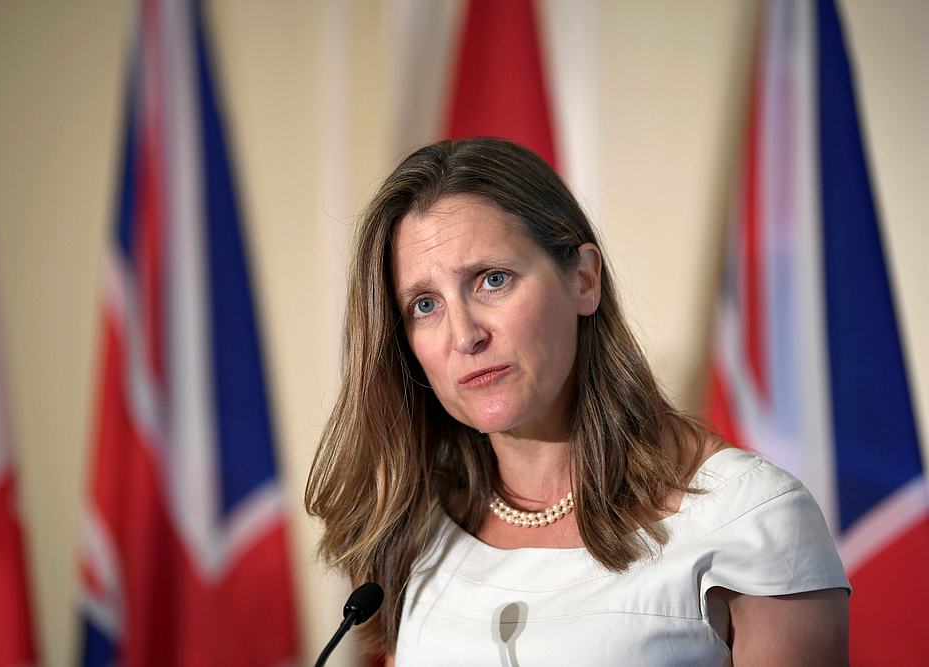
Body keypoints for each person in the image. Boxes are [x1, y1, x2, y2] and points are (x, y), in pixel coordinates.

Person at [305, 138, 849, 664]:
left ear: (584, 279)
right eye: (425, 305)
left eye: (492, 280)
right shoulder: (411, 518)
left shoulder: (749, 515)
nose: (463, 335)